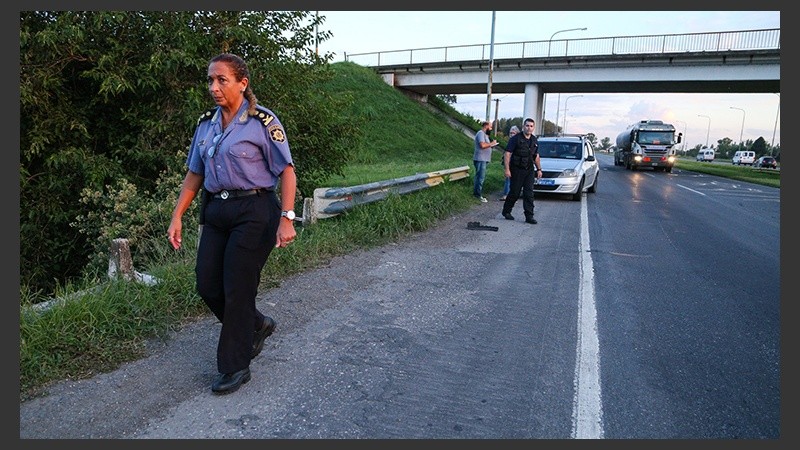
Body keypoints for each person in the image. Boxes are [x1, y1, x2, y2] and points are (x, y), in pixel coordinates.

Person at [167, 53, 297, 395]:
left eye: (222, 80)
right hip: (217, 211)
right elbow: (195, 173)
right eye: (210, 80)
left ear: (242, 83)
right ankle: (256, 324)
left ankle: (234, 365)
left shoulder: (262, 122)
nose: (214, 87)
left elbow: (286, 171)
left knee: (237, 287)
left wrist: (287, 218)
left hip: (255, 209)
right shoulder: (205, 124)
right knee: (208, 284)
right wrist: (177, 215)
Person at [501, 118, 541, 224]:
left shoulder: (534, 140)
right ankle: (506, 211)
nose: (529, 128)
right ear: (523, 127)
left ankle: (529, 216)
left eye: (531, 126)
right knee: (515, 192)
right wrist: (507, 169)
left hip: (529, 170)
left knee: (529, 193)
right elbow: (507, 154)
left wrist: (539, 169)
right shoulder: (515, 139)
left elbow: (536, 156)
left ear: (533, 128)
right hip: (517, 169)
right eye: (527, 126)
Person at [472, 120, 498, 203]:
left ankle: (477, 193)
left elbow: (486, 145)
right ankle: (477, 195)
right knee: (480, 178)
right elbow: (482, 145)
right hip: (480, 159)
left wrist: (491, 144)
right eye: (490, 127)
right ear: (486, 126)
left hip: (484, 159)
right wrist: (491, 144)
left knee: (480, 177)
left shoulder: (485, 135)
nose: (491, 129)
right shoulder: (480, 133)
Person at [499, 125, 520, 200]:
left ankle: (510, 195)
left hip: (515, 162)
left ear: (517, 133)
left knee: (513, 179)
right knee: (508, 178)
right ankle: (506, 194)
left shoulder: (518, 142)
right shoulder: (510, 141)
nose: (511, 134)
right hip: (508, 162)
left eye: (513, 133)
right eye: (510, 133)